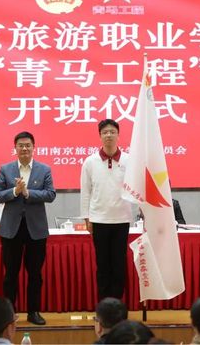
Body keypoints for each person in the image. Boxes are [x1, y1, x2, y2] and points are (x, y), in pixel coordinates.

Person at [0, 131, 56, 326]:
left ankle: (33, 312)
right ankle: (9, 314)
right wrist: (15, 191)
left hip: (36, 229)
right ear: (15, 148)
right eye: (21, 145)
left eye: (28, 145)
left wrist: (28, 193)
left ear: (33, 147)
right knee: (10, 274)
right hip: (11, 230)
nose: (24, 148)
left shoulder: (44, 169)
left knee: (35, 274)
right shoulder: (6, 169)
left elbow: (51, 194)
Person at [80, 119, 131, 301]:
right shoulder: (90, 162)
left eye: (112, 132)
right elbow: (86, 191)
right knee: (102, 266)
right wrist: (86, 218)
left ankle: (117, 307)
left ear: (118, 135)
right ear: (100, 136)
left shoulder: (128, 160)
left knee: (119, 266)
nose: (109, 135)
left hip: (122, 219)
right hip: (99, 220)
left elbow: (136, 188)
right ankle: (103, 307)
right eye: (105, 132)